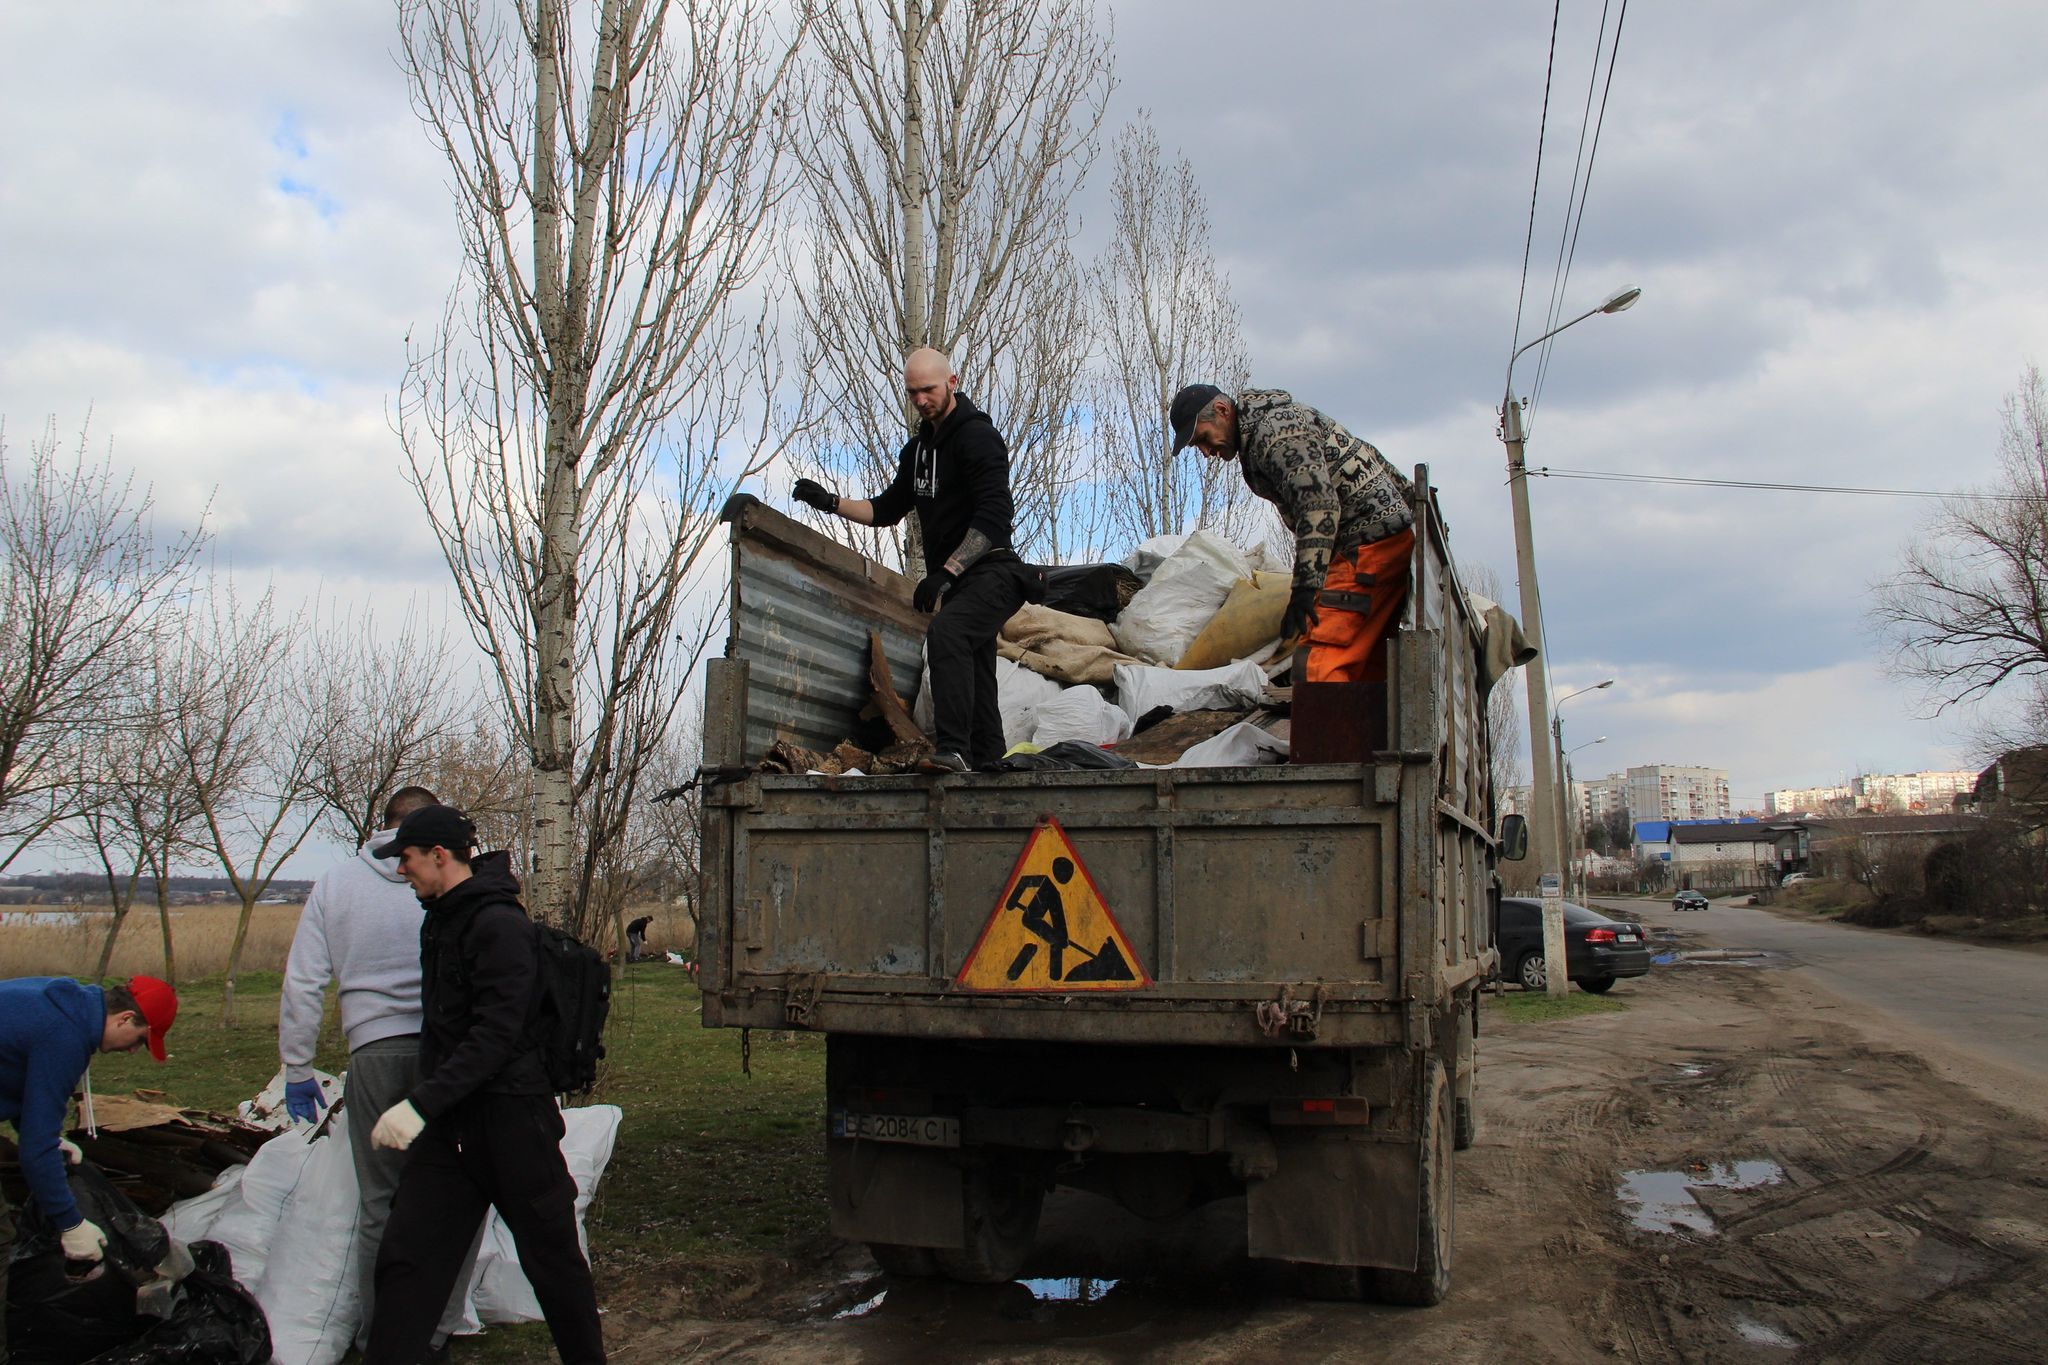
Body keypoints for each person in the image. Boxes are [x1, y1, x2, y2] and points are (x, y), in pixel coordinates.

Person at [362, 804, 605, 1365]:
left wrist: (418, 1105)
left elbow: (496, 1034)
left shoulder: (499, 925)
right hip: (453, 1129)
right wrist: (433, 1107)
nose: (402, 871)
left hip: (512, 1121)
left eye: (407, 859)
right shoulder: (442, 917)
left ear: (439, 856)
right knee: (408, 1257)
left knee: (553, 1261)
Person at [277, 784, 472, 1355]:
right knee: (459, 1194)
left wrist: (297, 1067)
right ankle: (438, 1328)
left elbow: (304, 981)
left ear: (381, 825)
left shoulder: (336, 883)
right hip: (450, 1056)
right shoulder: (453, 874)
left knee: (380, 1202)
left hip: (375, 1053)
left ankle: (379, 1333)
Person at [794, 347, 1043, 773]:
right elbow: (886, 509)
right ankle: (989, 759)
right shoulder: (918, 453)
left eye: (928, 390)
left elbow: (994, 517)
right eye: (913, 393)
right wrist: (831, 502)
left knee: (947, 634)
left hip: (996, 571)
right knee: (977, 666)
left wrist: (946, 572)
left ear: (952, 382)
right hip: (962, 582)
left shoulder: (977, 436)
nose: (921, 400)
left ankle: (955, 750)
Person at [1170, 384, 1416, 684]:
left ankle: (1326, 730)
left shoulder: (1273, 434)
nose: (1207, 453)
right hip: (1383, 543)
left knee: (1319, 666)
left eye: (1204, 439)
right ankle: (1364, 727)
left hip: (1367, 547)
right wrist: (1413, 503)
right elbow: (1366, 453)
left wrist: (1304, 591)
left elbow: (1318, 505)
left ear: (1223, 411)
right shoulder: (1284, 419)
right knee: (1364, 662)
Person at [1, 973, 177, 1347]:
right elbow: (33, 1151)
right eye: (140, 1041)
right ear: (124, 1019)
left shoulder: (66, 1001)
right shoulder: (65, 1036)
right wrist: (71, 1225)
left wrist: (48, 1137)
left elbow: (15, 1073)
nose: (132, 1051)